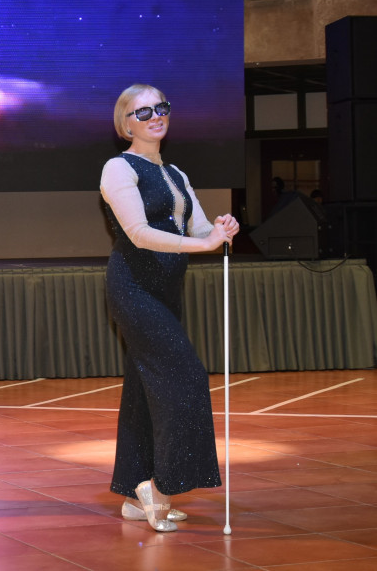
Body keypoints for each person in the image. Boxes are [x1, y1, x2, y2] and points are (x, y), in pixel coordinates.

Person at [100, 85, 239, 532]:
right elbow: (139, 233)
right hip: (134, 287)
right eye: (143, 112)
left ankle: (132, 493)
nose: (155, 116)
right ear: (126, 124)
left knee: (143, 391)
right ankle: (159, 489)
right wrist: (203, 244)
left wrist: (220, 228)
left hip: (167, 289)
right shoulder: (119, 168)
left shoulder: (175, 172)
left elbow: (197, 227)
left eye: (160, 108)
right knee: (186, 377)